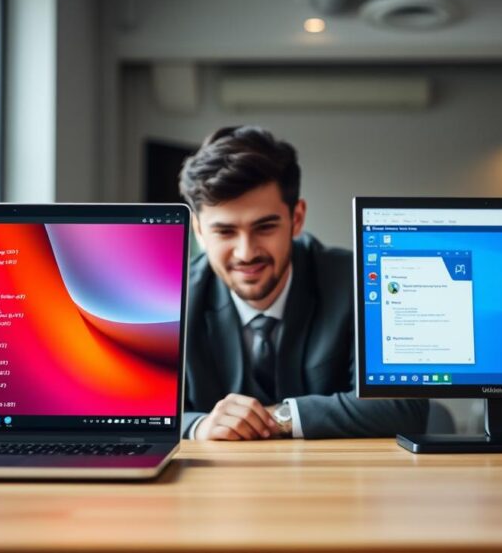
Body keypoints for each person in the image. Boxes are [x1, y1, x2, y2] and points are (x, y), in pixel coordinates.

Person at [178, 125, 452, 440]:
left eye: (265, 227)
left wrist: (276, 418)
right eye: (225, 232)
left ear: (296, 218)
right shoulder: (171, 296)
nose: (246, 252)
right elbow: (134, 415)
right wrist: (199, 426)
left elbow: (404, 408)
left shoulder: (361, 281)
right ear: (198, 230)